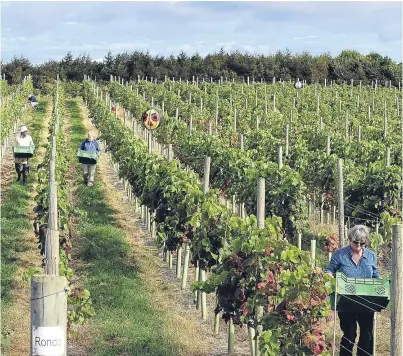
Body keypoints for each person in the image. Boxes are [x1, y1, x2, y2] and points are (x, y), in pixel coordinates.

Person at [325, 225, 380, 356]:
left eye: (362, 243)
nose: (359, 245)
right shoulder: (340, 254)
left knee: (367, 333)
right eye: (356, 242)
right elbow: (329, 270)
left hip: (366, 301)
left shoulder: (371, 256)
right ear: (350, 239)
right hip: (346, 301)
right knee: (349, 333)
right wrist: (330, 278)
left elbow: (376, 274)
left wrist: (379, 283)